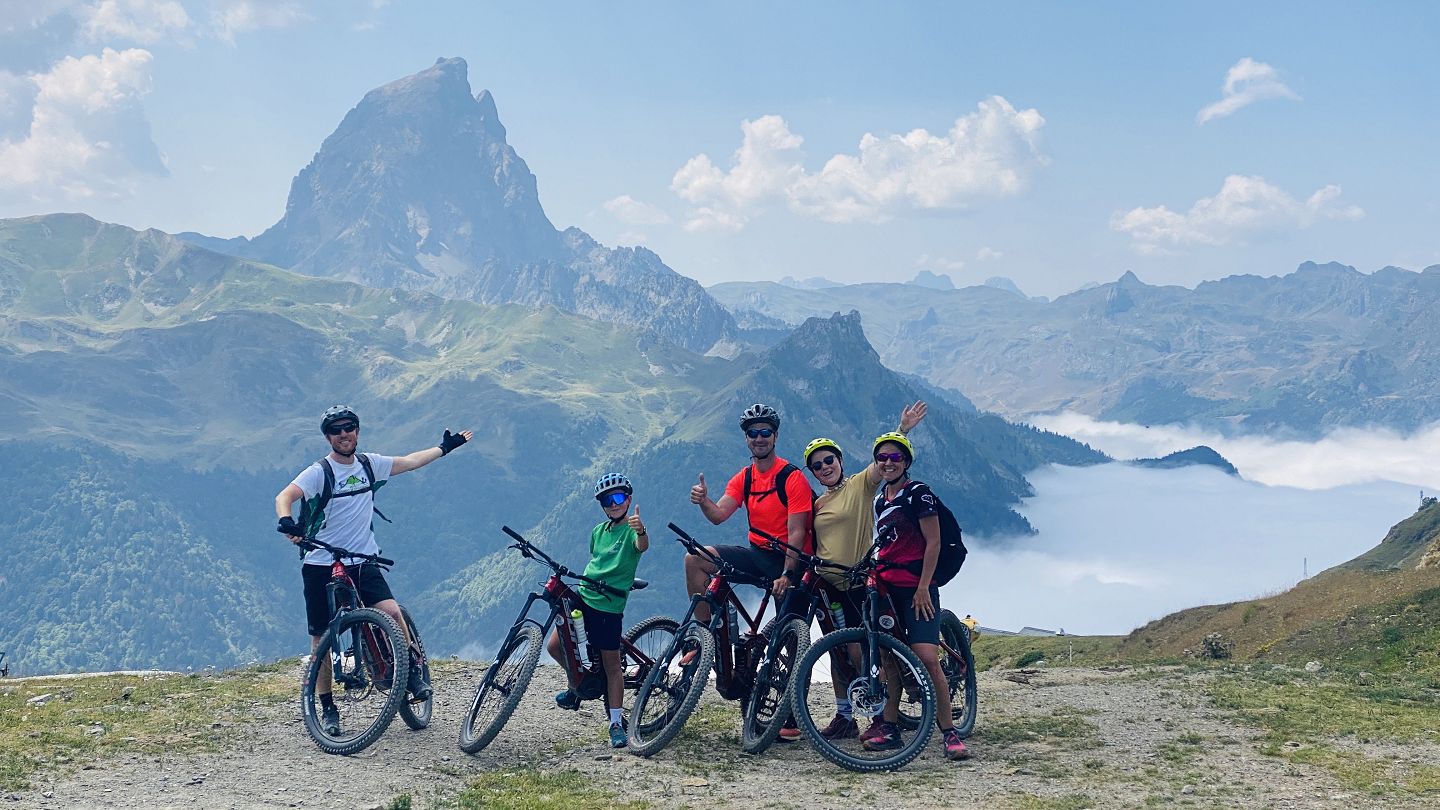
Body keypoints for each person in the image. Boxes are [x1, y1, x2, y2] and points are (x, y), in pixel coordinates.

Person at [275, 405, 471, 737]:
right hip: (321, 563)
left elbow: (409, 462)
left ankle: (411, 673)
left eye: (349, 427)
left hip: (363, 560)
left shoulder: (369, 465)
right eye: (336, 430)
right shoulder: (319, 472)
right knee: (320, 640)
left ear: (357, 431)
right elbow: (285, 496)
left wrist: (444, 448)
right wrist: (285, 519)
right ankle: (327, 707)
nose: (344, 434)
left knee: (392, 613)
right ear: (328, 437)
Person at [795, 401, 927, 741]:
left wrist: (903, 429)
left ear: (840, 461)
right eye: (816, 465)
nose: (824, 467)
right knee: (837, 650)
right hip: (828, 585)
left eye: (828, 460)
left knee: (863, 651)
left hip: (857, 581)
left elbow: (884, 463)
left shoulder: (860, 485)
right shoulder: (816, 503)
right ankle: (844, 717)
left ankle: (882, 716)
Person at [863, 431, 969, 760]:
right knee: (890, 659)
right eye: (882, 458)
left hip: (916, 587)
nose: (888, 462)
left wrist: (925, 585)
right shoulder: (881, 498)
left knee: (925, 656)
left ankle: (949, 732)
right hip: (886, 586)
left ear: (906, 462)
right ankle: (891, 728)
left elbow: (933, 542)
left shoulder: (918, 493)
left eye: (895, 457)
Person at [547, 473, 650, 748]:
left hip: (609, 605)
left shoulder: (631, 530)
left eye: (618, 498)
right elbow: (597, 560)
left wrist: (641, 530)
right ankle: (577, 687)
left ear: (628, 499)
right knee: (556, 646)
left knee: (611, 665)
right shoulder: (598, 532)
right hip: (586, 596)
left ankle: (616, 723)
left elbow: (642, 546)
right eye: (607, 500)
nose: (613, 504)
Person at [687, 402, 813, 625]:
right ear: (746, 438)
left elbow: (797, 533)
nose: (759, 438)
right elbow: (718, 515)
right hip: (758, 556)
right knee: (694, 559)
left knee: (789, 632)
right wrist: (704, 501)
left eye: (765, 432)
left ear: (775, 436)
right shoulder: (744, 478)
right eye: (752, 433)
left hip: (791, 559)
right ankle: (703, 636)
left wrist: (787, 575)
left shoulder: (792, 478)